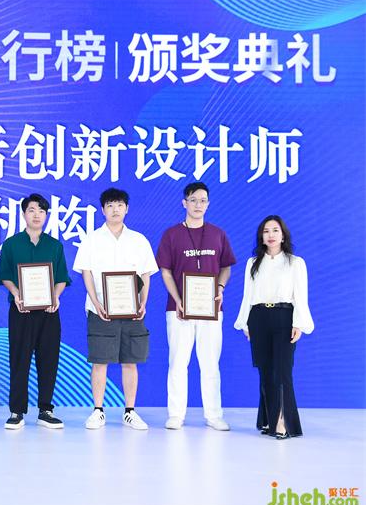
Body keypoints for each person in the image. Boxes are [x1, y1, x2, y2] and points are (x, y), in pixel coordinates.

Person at [73, 188, 158, 430]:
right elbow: (86, 274)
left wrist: (143, 303)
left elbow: (146, 274)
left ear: (127, 208)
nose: (115, 209)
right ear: (103, 210)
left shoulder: (139, 240)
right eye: (110, 205)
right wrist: (96, 302)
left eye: (119, 205)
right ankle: (98, 410)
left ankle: (129, 411)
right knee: (100, 361)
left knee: (130, 361)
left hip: (132, 311)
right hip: (100, 310)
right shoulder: (91, 239)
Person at [156, 182, 236, 431]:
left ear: (208, 204)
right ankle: (176, 414)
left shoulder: (218, 234)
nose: (198, 205)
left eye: (202, 200)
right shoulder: (171, 234)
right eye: (193, 200)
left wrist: (220, 288)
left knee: (210, 363)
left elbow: (226, 267)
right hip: (178, 309)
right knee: (178, 363)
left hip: (211, 309)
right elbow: (165, 271)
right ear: (184, 203)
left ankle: (213, 415)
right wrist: (178, 299)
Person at [234, 215, 313, 439]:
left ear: (283, 235)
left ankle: (283, 421)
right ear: (261, 236)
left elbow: (300, 296)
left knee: (283, 371)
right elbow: (248, 295)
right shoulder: (253, 263)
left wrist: (298, 323)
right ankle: (268, 419)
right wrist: (245, 323)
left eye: (275, 230)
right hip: (258, 318)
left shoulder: (295, 262)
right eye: (266, 231)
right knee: (265, 371)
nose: (271, 235)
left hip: (284, 317)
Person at [0, 193, 71, 430]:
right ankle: (16, 411)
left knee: (48, 360)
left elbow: (61, 278)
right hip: (21, 310)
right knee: (19, 359)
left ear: (46, 215)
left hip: (49, 312)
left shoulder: (54, 245)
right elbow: (5, 275)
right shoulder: (11, 244)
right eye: (32, 210)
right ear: (24, 214)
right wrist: (16, 293)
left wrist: (55, 296)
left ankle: (45, 410)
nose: (37, 215)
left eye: (41, 211)